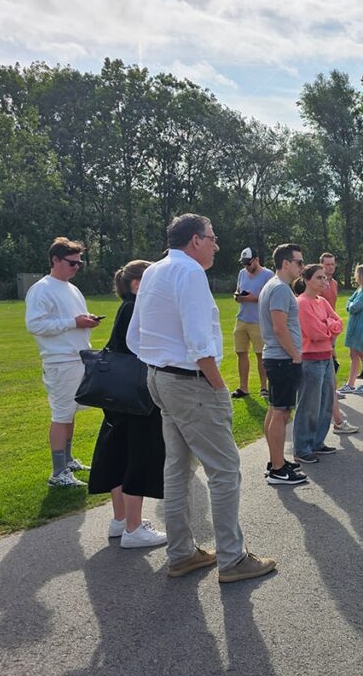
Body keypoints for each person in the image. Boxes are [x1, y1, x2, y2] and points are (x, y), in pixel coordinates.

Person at [128, 213, 275, 583]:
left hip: (159, 377)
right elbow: (199, 342)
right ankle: (232, 558)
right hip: (190, 382)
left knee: (177, 469)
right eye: (212, 238)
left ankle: (181, 554)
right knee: (224, 469)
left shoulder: (153, 271)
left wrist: (162, 363)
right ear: (195, 240)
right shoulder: (190, 272)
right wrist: (219, 387)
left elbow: (135, 336)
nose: (216, 246)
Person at [87, 260, 167, 548]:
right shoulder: (137, 308)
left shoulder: (126, 307)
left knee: (119, 451)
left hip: (117, 392)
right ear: (137, 285)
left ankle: (121, 520)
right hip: (136, 393)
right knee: (139, 453)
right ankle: (134, 527)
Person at [25, 236, 99, 487]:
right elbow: (34, 324)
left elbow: (72, 319)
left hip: (78, 358)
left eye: (79, 263)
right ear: (55, 260)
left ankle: (67, 460)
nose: (76, 267)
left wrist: (85, 320)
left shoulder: (72, 289)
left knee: (70, 412)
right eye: (72, 263)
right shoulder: (42, 288)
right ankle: (58, 473)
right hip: (60, 361)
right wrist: (73, 322)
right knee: (61, 414)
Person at [258, 243, 311, 485]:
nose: (302, 267)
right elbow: (280, 328)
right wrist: (295, 355)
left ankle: (276, 461)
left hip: (277, 358)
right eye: (299, 262)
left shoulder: (274, 286)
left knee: (275, 410)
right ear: (286, 263)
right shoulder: (279, 288)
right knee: (281, 413)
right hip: (282, 359)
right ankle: (278, 469)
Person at [293, 264, 343, 464]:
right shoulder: (302, 303)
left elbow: (339, 322)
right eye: (319, 278)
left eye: (324, 277)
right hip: (310, 359)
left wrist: (328, 326)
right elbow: (314, 333)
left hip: (327, 357)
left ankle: (317, 442)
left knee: (325, 402)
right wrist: (330, 327)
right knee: (309, 405)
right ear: (307, 280)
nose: (324, 281)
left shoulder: (322, 302)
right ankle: (302, 448)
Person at [319, 252, 358, 434]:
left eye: (332, 264)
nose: (330, 267)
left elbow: (332, 308)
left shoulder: (334, 283)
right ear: (321, 265)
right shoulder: (317, 284)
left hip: (331, 329)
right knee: (329, 365)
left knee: (331, 364)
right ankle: (332, 402)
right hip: (320, 330)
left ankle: (332, 396)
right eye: (327, 264)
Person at [231, 247, 274, 399]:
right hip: (242, 318)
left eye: (248, 263)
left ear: (256, 260)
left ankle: (264, 387)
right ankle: (243, 388)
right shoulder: (242, 273)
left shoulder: (268, 275)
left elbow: (270, 298)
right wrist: (238, 297)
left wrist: (252, 298)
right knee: (241, 352)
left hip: (259, 321)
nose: (246, 266)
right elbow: (238, 290)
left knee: (261, 355)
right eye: (244, 263)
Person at [340, 264, 363, 395]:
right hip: (356, 325)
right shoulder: (360, 290)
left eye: (356, 273)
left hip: (362, 326)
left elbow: (353, 307)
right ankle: (350, 384)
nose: (355, 276)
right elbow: (349, 302)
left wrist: (350, 305)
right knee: (353, 354)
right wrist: (350, 304)